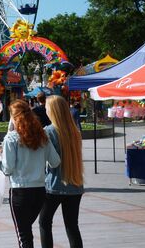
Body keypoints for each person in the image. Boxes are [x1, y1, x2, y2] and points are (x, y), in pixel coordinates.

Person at [0, 99, 60, 248]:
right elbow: (55, 162)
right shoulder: (42, 135)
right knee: (26, 231)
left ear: (13, 116)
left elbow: (8, 169)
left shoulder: (11, 138)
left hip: (20, 191)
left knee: (24, 236)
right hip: (40, 191)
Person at [40, 96, 84, 248]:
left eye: (47, 107)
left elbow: (43, 157)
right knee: (72, 226)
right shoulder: (75, 131)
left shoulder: (48, 131)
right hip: (75, 184)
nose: (45, 110)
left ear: (52, 111)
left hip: (54, 185)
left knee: (44, 222)